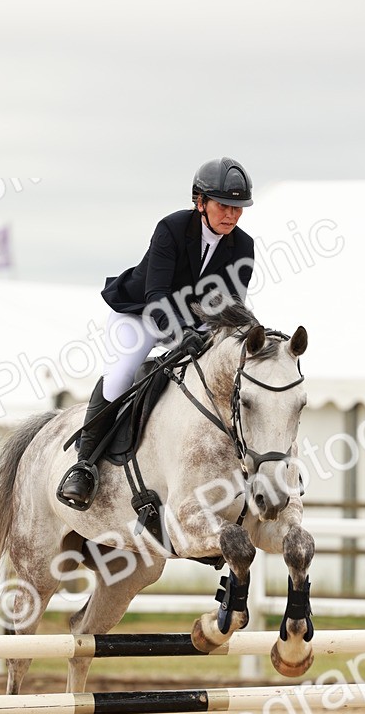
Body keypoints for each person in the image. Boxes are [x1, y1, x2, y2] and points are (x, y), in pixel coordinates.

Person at [57, 156, 256, 510]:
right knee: (119, 376)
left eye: (238, 209)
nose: (231, 215)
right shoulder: (172, 228)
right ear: (200, 202)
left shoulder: (243, 246)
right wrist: (181, 336)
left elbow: (230, 305)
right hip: (141, 315)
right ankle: (84, 465)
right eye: (224, 206)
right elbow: (156, 295)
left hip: (195, 322)